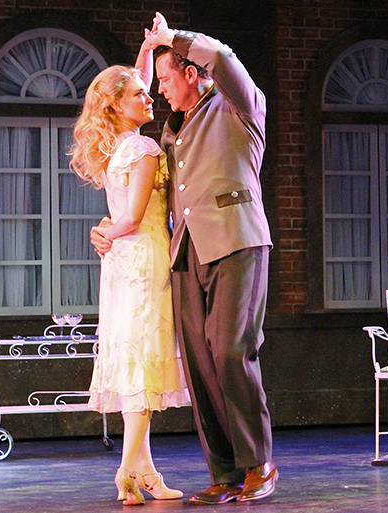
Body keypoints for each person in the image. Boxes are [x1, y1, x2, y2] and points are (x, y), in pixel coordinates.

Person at [92, 12, 277, 505]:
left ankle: (260, 463)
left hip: (237, 240)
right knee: (200, 362)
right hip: (185, 250)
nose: (162, 92)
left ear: (192, 73)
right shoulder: (171, 129)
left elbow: (221, 57)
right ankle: (225, 472)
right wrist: (110, 225)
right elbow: (134, 99)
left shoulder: (238, 106)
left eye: (169, 79)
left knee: (231, 349)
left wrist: (170, 38)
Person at [71, 59, 190, 505]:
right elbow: (134, 216)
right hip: (143, 259)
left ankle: (148, 473)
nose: (150, 97)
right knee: (141, 361)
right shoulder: (142, 149)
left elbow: (121, 217)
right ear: (117, 106)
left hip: (122, 261)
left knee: (132, 362)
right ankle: (125, 471)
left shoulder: (114, 149)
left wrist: (147, 47)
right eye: (139, 94)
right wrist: (107, 229)